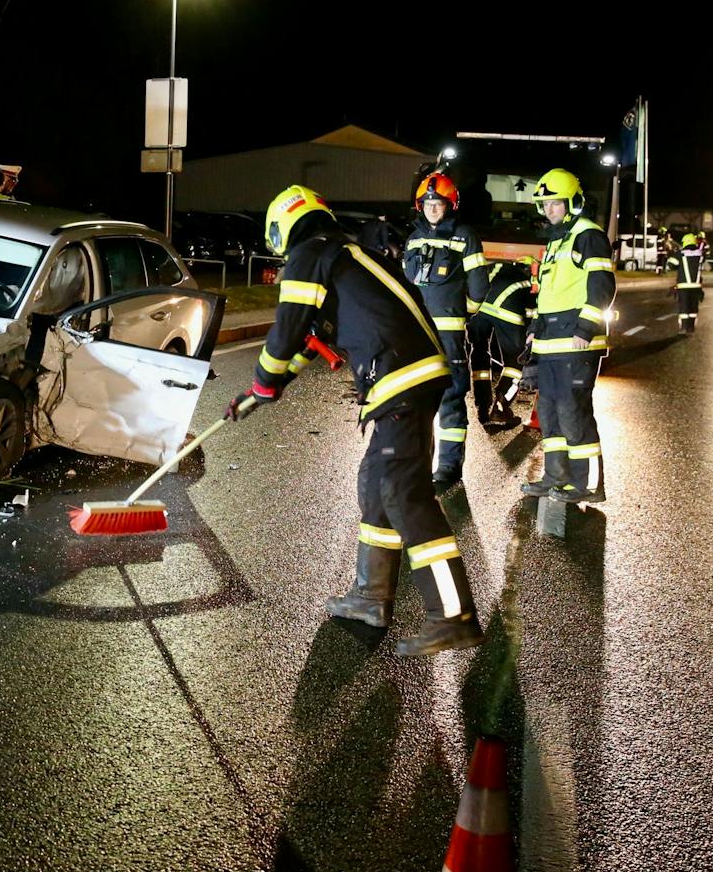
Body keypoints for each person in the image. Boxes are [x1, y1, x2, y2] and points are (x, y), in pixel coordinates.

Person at [226, 185, 485, 656]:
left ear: (284, 225)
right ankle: (370, 596)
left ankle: (453, 614)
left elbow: (286, 326)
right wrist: (263, 389)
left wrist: (264, 380)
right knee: (376, 482)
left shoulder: (310, 255)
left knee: (405, 494)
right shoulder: (346, 256)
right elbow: (311, 338)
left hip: (400, 379)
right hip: (410, 377)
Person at [520, 169, 616, 503]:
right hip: (550, 342)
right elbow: (547, 292)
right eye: (545, 204)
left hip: (576, 342)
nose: (549, 210)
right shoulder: (556, 241)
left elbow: (602, 284)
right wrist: (534, 329)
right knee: (549, 412)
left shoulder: (587, 235)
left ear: (572, 201)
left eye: (556, 203)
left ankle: (586, 484)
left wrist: (586, 328)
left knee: (573, 412)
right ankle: (555, 477)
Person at [402, 172, 489, 489]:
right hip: (416, 338)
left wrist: (462, 312)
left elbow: (479, 286)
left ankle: (449, 468)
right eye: (427, 203)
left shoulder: (465, 236)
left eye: (438, 203)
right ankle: (419, 463)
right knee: (417, 401)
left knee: (450, 402)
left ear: (450, 204)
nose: (432, 208)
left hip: (449, 337)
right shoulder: (413, 239)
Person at [469, 254, 538, 426]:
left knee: (479, 352)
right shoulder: (527, 280)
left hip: (480, 311)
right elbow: (531, 312)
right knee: (516, 362)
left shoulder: (493, 268)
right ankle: (500, 407)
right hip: (509, 316)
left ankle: (482, 406)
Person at [668, 232, 705, 333]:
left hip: (683, 286)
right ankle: (691, 327)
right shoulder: (700, 254)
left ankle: (684, 327)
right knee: (693, 307)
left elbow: (671, 265)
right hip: (696, 286)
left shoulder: (680, 254)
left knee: (684, 307)